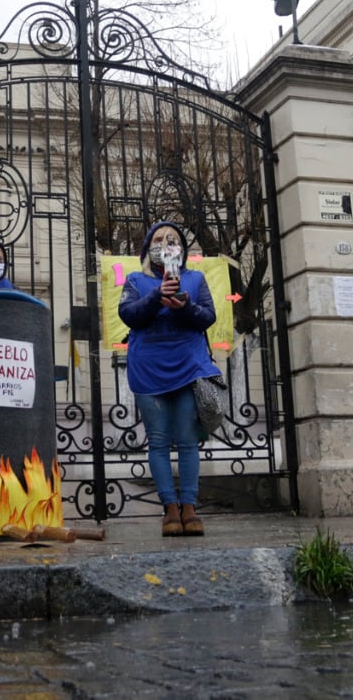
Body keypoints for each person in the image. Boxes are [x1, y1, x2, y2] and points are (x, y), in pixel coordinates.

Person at [118, 221, 220, 537]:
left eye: (173, 240)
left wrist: (184, 305)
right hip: (149, 370)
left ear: (182, 250)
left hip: (188, 367)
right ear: (149, 247)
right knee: (159, 441)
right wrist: (156, 298)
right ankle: (170, 509)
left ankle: (189, 506)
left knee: (188, 441)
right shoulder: (135, 280)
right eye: (160, 239)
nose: (166, 243)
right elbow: (128, 315)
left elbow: (208, 317)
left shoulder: (195, 278)